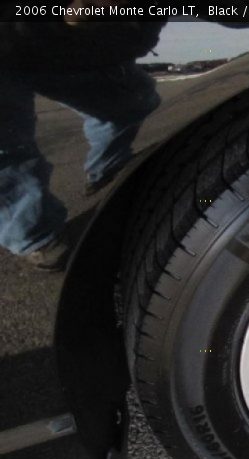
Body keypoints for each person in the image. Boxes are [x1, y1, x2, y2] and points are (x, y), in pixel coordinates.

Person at [0, 13, 163, 270]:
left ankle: (107, 170)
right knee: (7, 150)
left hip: (69, 44)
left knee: (131, 101)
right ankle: (35, 236)